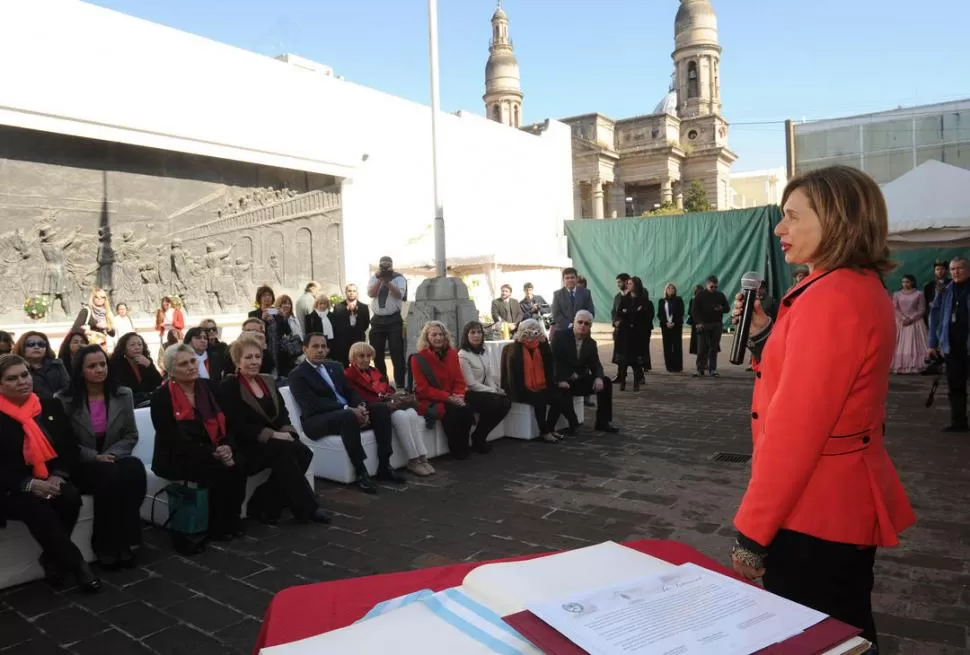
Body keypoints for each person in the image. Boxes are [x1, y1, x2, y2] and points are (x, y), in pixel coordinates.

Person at [729, 165, 915, 649]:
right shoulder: (852, 287)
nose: (779, 229)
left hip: (812, 510)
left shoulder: (830, 297)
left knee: (816, 636)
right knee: (845, 631)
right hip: (837, 503)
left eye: (792, 216)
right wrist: (765, 336)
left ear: (835, 219)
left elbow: (796, 431)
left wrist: (752, 532)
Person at [0, 354, 101, 593]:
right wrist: (29, 484)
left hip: (49, 475)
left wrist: (59, 475)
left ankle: (52, 558)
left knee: (70, 496)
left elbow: (68, 446)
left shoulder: (48, 405)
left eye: (25, 375)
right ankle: (78, 565)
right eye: (12, 379)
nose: (22, 381)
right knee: (35, 506)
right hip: (11, 487)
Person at [219, 336, 329, 525]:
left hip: (275, 441)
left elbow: (282, 412)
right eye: (248, 358)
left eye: (257, 357)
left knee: (303, 452)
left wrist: (288, 430)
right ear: (238, 362)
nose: (254, 362)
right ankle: (307, 509)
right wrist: (272, 434)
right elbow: (235, 424)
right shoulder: (229, 386)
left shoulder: (268, 381)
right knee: (286, 451)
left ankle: (262, 501)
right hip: (248, 445)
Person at [56, 346, 146, 570]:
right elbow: (63, 443)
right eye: (92, 366)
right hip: (81, 463)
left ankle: (127, 538)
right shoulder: (64, 399)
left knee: (134, 468)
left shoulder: (123, 394)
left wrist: (111, 454)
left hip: (112, 456)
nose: (99, 370)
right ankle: (105, 545)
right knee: (111, 474)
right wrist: (95, 457)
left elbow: (130, 434)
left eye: (102, 364)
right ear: (80, 371)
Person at [150, 344, 246, 541]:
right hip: (178, 454)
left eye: (193, 361)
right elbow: (170, 437)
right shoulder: (161, 397)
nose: (191, 366)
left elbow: (230, 422)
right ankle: (215, 525)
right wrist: (212, 452)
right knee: (214, 468)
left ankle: (232, 518)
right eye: (184, 364)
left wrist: (227, 445)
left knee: (239, 463)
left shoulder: (211, 387)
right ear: (170, 371)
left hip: (216, 446)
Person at [288, 333, 404, 494]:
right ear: (305, 349)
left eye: (323, 346)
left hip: (345, 411)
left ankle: (384, 465)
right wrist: (347, 409)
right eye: (315, 346)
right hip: (316, 420)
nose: (320, 350)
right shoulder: (297, 374)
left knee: (380, 408)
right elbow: (312, 404)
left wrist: (361, 406)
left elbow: (350, 392)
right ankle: (361, 472)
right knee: (348, 416)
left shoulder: (334, 366)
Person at [344, 341, 434, 476]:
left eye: (369, 356)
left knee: (411, 413)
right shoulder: (348, 375)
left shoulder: (373, 371)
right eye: (361, 356)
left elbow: (388, 387)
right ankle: (413, 460)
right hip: (373, 411)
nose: (366, 359)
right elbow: (356, 398)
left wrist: (390, 394)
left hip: (387, 405)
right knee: (401, 416)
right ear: (353, 358)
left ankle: (422, 456)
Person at [410, 321, 478, 459]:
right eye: (434, 335)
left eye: (441, 334)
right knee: (450, 410)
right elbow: (423, 389)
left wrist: (458, 395)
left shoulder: (452, 354)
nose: (438, 338)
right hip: (431, 399)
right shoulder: (418, 358)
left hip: (453, 396)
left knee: (466, 408)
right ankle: (456, 449)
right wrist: (448, 397)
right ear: (427, 337)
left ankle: (464, 445)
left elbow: (459, 380)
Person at [550, 310, 620, 433]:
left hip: (579, 380)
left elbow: (596, 364)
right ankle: (572, 423)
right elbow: (554, 361)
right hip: (562, 379)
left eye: (587, 324)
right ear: (574, 322)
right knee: (562, 390)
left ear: (590, 327)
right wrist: (567, 375)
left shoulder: (591, 343)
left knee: (606, 382)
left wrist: (598, 377)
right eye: (580, 322)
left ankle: (603, 422)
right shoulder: (559, 336)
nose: (583, 325)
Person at [500, 319, 567, 443]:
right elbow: (512, 376)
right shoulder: (515, 348)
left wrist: (545, 342)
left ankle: (550, 428)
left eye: (535, 332)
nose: (531, 337)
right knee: (539, 399)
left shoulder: (540, 346)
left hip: (539, 385)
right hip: (520, 388)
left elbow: (549, 365)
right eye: (529, 332)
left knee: (558, 398)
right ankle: (544, 432)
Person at [928, 257, 970, 432]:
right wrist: (932, 343)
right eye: (953, 269)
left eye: (959, 268)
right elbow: (934, 317)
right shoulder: (945, 291)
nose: (955, 272)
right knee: (955, 386)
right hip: (951, 347)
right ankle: (958, 422)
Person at [457, 321, 512, 451]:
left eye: (479, 332)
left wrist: (496, 388)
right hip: (469, 393)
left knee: (506, 401)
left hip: (483, 391)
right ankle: (479, 438)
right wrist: (493, 391)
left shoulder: (484, 352)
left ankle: (480, 435)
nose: (477, 335)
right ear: (466, 335)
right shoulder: (463, 355)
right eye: (473, 332)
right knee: (495, 402)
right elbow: (471, 383)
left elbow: (489, 376)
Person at [368, 256, 408, 388]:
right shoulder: (375, 277)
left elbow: (399, 295)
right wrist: (380, 280)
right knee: (377, 354)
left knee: (396, 353)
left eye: (387, 265)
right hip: (377, 319)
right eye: (382, 266)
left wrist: (389, 282)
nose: (384, 268)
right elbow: (371, 294)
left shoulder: (399, 278)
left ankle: (400, 385)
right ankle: (382, 384)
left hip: (393, 319)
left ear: (392, 265)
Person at [612, 277, 652, 391]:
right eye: (627, 283)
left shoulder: (644, 301)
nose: (628, 285)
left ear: (636, 285)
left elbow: (647, 317)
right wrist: (618, 321)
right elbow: (619, 313)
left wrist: (632, 314)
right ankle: (622, 382)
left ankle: (637, 382)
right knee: (623, 360)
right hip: (624, 334)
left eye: (630, 283)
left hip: (638, 335)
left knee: (636, 362)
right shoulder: (624, 299)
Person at [109, 332, 163, 404]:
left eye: (140, 344)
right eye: (132, 345)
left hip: (149, 401)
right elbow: (121, 387)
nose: (137, 347)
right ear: (124, 348)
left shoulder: (147, 360)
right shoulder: (116, 364)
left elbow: (158, 382)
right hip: (128, 402)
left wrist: (149, 366)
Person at [891, 274, 929, 374]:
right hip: (901, 322)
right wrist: (903, 318)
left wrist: (911, 318)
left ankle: (915, 365)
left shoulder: (919, 294)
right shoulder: (897, 294)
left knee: (914, 344)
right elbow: (895, 308)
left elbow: (922, 309)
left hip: (915, 323)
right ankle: (900, 366)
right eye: (903, 282)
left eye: (907, 282)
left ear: (912, 282)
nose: (905, 284)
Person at [691, 275, 728, 378]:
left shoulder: (720, 295)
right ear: (707, 285)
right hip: (703, 324)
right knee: (702, 347)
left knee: (714, 347)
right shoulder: (700, 295)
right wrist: (698, 322)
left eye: (716, 287)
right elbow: (694, 310)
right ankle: (699, 369)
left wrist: (721, 308)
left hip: (716, 324)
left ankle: (713, 369)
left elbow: (727, 308)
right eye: (712, 287)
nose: (714, 289)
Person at [15, 331, 70, 399]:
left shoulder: (57, 364)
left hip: (57, 405)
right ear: (22, 347)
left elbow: (66, 387)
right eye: (31, 344)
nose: (36, 347)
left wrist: (57, 395)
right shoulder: (15, 368)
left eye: (41, 344)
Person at [249, 286, 286, 376]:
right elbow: (253, 332)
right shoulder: (254, 314)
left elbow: (286, 331)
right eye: (264, 295)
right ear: (259, 298)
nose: (267, 298)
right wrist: (263, 320)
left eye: (269, 295)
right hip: (263, 349)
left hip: (278, 350)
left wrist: (284, 317)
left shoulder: (276, 311)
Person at [331, 284, 370, 367]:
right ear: (346, 292)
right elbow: (336, 324)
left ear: (357, 293)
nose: (351, 293)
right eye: (349, 291)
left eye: (353, 291)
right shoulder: (338, 307)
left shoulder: (364, 307)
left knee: (359, 366)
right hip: (343, 343)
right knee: (343, 366)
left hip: (358, 341)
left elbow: (366, 324)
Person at [551, 267, 595, 332]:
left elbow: (590, 311)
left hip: (582, 331)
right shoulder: (557, 295)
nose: (570, 280)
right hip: (563, 331)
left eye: (572, 277)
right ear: (563, 280)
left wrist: (581, 324)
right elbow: (556, 314)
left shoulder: (585, 293)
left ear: (576, 279)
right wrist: (570, 325)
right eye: (567, 278)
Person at [657, 283, 685, 373]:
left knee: (677, 345)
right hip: (665, 326)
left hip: (676, 326)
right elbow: (660, 314)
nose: (670, 290)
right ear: (666, 290)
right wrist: (666, 322)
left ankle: (678, 366)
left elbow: (681, 312)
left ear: (675, 290)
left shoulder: (678, 299)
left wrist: (674, 322)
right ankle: (669, 366)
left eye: (672, 288)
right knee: (667, 346)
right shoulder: (662, 301)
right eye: (668, 288)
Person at [923, 260, 949, 326]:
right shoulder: (928, 286)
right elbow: (925, 303)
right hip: (933, 314)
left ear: (946, 270)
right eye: (937, 269)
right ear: (934, 271)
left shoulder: (952, 283)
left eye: (942, 269)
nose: (939, 271)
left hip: (948, 313)